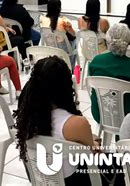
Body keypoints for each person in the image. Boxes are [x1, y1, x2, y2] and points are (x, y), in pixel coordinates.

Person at [14, 56, 109, 185]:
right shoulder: (76, 124)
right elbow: (92, 155)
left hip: (40, 179)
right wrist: (95, 144)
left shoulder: (26, 117)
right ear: (66, 87)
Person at [89, 24, 130, 124]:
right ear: (128, 43)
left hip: (101, 114)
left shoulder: (96, 61)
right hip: (129, 119)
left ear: (108, 41)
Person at [40, 0, 76, 65]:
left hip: (49, 47)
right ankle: (71, 67)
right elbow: (73, 34)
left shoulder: (42, 19)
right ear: (59, 8)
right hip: (62, 49)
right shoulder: (63, 21)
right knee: (74, 40)